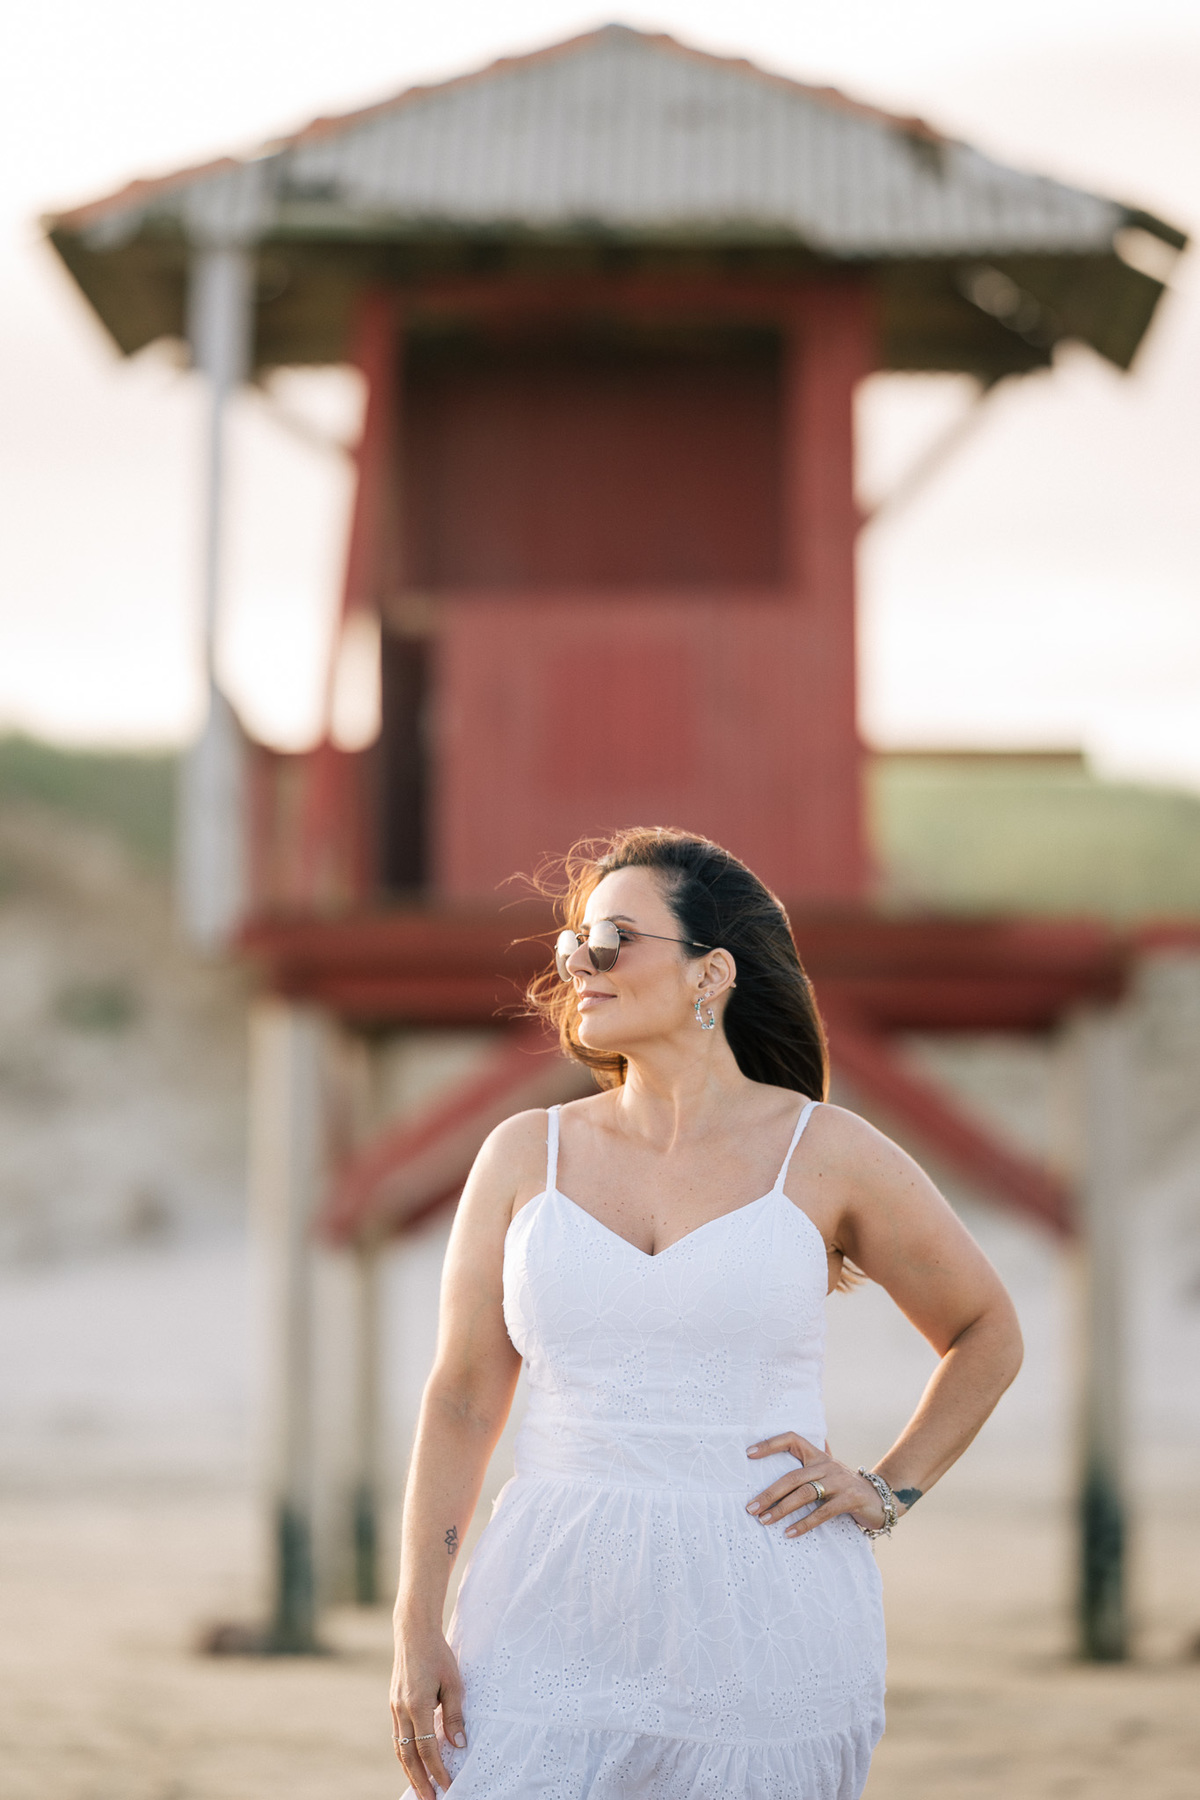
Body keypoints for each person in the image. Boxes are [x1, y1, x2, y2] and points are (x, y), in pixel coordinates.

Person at [390, 827, 1023, 1799]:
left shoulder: (829, 1153)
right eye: (572, 942)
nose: (579, 964)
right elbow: (464, 1398)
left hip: (765, 1611)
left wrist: (889, 1489)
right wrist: (416, 1623)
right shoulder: (524, 1154)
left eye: (613, 939)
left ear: (710, 973)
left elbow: (986, 1331)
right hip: (546, 1603)